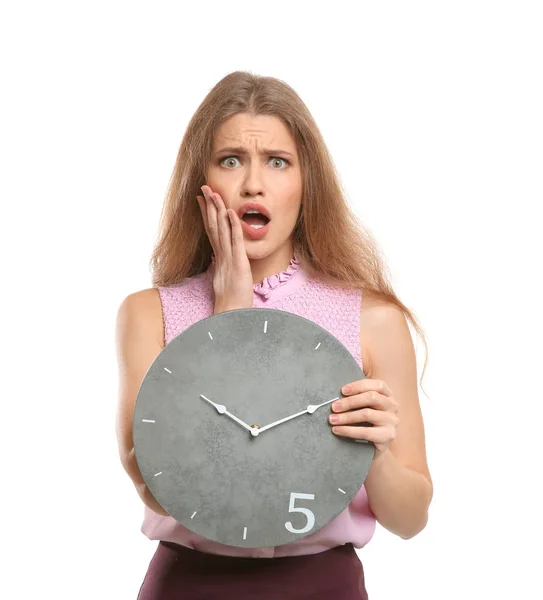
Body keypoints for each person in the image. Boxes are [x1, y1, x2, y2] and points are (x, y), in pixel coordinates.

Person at [115, 70, 433, 600]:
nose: (253, 184)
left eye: (278, 162)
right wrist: (230, 319)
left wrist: (372, 454)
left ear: (307, 184)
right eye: (231, 159)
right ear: (202, 180)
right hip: (191, 584)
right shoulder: (150, 314)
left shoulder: (372, 318)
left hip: (322, 585)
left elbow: (411, 519)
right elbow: (158, 491)